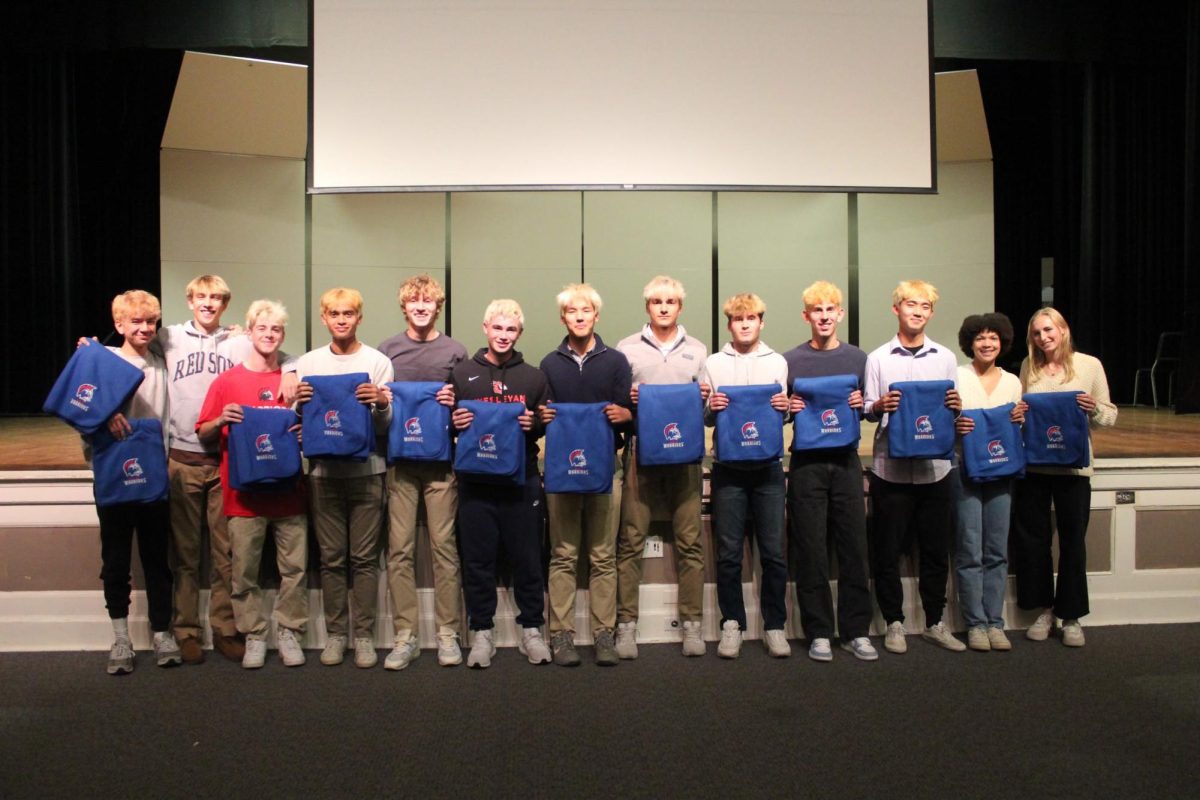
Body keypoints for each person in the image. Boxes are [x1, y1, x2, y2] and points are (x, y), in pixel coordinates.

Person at [156, 275, 296, 664]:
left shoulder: (237, 340)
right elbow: (130, 343)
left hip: (224, 462)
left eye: (216, 297)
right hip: (182, 456)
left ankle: (224, 628)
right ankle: (185, 630)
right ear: (189, 301)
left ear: (225, 304)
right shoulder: (167, 337)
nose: (208, 303)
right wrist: (92, 347)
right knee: (185, 555)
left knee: (226, 555)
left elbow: (278, 351)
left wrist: (292, 371)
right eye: (201, 297)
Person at [196, 300, 309, 669]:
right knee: (243, 572)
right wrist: (219, 420)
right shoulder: (227, 381)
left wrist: (305, 431)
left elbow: (320, 425)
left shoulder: (294, 380)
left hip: (289, 494)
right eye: (262, 329)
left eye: (275, 330)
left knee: (294, 569)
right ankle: (255, 635)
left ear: (283, 335)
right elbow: (202, 430)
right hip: (242, 496)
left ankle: (290, 631)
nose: (269, 335)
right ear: (249, 332)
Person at [863, 280, 965, 653]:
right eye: (910, 304)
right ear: (897, 309)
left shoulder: (946, 357)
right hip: (890, 469)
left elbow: (954, 411)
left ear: (931, 312)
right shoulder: (877, 358)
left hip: (935, 471)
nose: (917, 311)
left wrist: (956, 406)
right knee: (886, 551)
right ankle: (894, 622)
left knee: (936, 551)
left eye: (925, 306)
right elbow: (866, 408)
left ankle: (935, 621)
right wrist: (879, 406)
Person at [295, 288, 394, 668]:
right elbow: (300, 422)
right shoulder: (308, 363)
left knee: (364, 559)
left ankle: (364, 636)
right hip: (322, 474)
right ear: (323, 317)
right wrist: (298, 405)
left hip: (368, 472)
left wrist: (381, 402)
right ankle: (337, 635)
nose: (341, 319)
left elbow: (386, 424)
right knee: (332, 559)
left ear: (359, 318)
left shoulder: (378, 361)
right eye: (334, 313)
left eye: (348, 313)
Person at [452, 299, 551, 669]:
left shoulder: (534, 376)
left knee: (528, 559)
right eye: (497, 328)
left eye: (511, 329)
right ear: (485, 328)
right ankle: (482, 632)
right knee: (478, 561)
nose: (503, 335)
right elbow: (447, 422)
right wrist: (454, 422)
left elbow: (546, 421)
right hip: (475, 484)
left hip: (521, 480)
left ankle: (531, 629)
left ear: (519, 333)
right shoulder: (463, 374)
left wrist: (535, 425)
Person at [615, 275, 710, 658]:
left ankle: (691, 624)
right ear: (647, 307)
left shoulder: (699, 351)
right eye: (657, 301)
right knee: (630, 541)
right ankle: (626, 625)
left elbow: (706, 414)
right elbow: (617, 408)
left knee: (690, 543)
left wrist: (704, 399)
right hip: (641, 455)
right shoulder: (625, 350)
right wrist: (630, 399)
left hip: (685, 458)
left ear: (680, 306)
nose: (664, 307)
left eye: (671, 301)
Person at [538, 284, 633, 667]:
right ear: (563, 318)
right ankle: (560, 635)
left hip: (607, 469)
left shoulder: (617, 362)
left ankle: (603, 634)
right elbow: (541, 419)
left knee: (603, 555)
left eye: (586, 310)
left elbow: (629, 411)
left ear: (596, 315)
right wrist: (544, 419)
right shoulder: (549, 364)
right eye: (572, 311)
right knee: (562, 554)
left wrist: (627, 416)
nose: (579, 316)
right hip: (561, 471)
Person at [783, 281, 877, 662]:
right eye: (815, 311)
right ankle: (819, 631)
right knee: (811, 549)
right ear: (806, 316)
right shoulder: (789, 361)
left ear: (840, 314)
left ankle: (857, 631)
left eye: (830, 310)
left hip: (846, 462)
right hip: (806, 463)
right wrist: (787, 406)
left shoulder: (859, 359)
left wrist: (863, 402)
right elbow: (779, 410)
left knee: (854, 546)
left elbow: (872, 406)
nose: (823, 317)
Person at [377, 274, 468, 670]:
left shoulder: (456, 351)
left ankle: (448, 634)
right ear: (404, 306)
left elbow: (468, 407)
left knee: (445, 551)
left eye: (427, 301)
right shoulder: (387, 350)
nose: (420, 306)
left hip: (441, 466)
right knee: (399, 552)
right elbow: (377, 405)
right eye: (413, 301)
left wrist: (455, 398)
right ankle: (405, 636)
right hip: (399, 464)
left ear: (437, 306)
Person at [1013, 307, 1116, 647]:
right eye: (1037, 333)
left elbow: (1109, 417)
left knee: (1073, 542)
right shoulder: (1029, 367)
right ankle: (1045, 609)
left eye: (1048, 330)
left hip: (1074, 468)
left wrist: (1093, 409)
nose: (1043, 338)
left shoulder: (1090, 365)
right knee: (1034, 542)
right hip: (1036, 467)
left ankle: (1070, 615)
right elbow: (1023, 413)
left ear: (1063, 330)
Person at [89, 290, 180, 674]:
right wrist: (103, 414)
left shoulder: (162, 362)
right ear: (119, 325)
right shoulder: (102, 361)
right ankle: (121, 637)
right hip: (113, 475)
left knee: (158, 559)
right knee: (115, 560)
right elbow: (76, 403)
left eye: (151, 321)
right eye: (136, 322)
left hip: (154, 475)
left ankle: (162, 632)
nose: (144, 328)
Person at [700, 293, 790, 659]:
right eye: (738, 319)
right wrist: (711, 406)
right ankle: (731, 624)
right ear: (730, 324)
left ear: (761, 322)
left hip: (769, 469)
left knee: (773, 554)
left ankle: (775, 626)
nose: (745, 324)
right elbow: (705, 416)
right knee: (729, 554)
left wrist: (784, 409)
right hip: (728, 471)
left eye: (751, 317)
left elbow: (782, 413)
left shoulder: (778, 362)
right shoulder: (713, 363)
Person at [953, 313, 1025, 652]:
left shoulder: (1012, 382)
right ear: (970, 343)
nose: (986, 343)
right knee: (969, 550)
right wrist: (956, 428)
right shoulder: (956, 377)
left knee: (996, 551)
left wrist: (1020, 420)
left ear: (1002, 342)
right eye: (980, 337)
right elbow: (945, 420)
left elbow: (1017, 427)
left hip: (1001, 473)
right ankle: (975, 624)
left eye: (993, 337)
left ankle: (996, 622)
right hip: (965, 470)